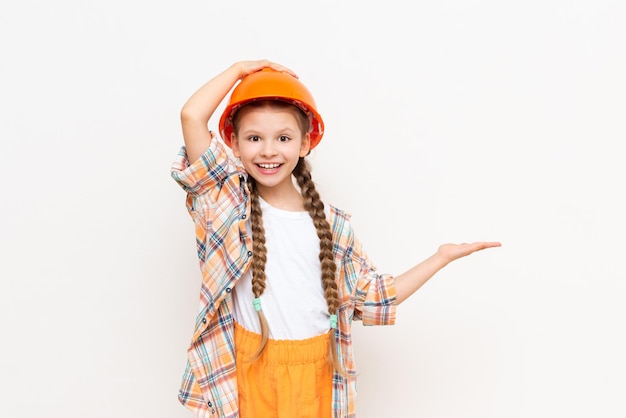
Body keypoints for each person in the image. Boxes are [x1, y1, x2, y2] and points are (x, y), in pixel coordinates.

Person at [171, 59, 501, 418]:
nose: (268, 151)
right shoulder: (226, 203)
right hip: (248, 367)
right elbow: (191, 116)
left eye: (283, 138)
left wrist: (440, 257)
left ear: (305, 142)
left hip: (319, 372)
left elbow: (372, 298)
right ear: (233, 142)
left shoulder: (332, 224)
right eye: (254, 138)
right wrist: (239, 70)